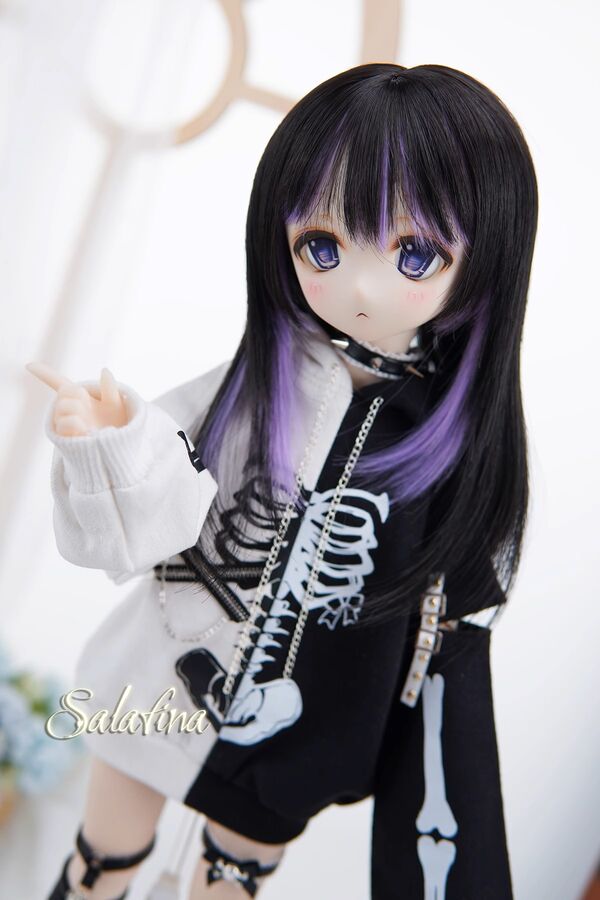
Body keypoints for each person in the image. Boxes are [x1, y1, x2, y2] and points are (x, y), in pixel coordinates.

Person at [28, 62, 537, 899]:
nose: (361, 286)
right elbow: (142, 524)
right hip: (158, 685)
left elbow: (446, 628)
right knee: (98, 866)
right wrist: (110, 446)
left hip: (303, 740)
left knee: (228, 882)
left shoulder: (448, 443)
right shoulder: (256, 381)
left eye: (414, 253)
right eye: (322, 247)